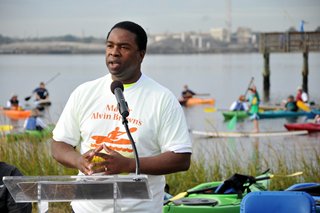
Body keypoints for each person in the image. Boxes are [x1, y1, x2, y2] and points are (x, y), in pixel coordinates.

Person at [51, 21, 192, 213]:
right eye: (110, 45)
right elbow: (59, 144)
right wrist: (80, 161)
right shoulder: (84, 92)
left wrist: (128, 164)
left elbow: (181, 158)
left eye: (124, 47)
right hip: (85, 208)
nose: (114, 52)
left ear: (141, 55)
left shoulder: (162, 98)